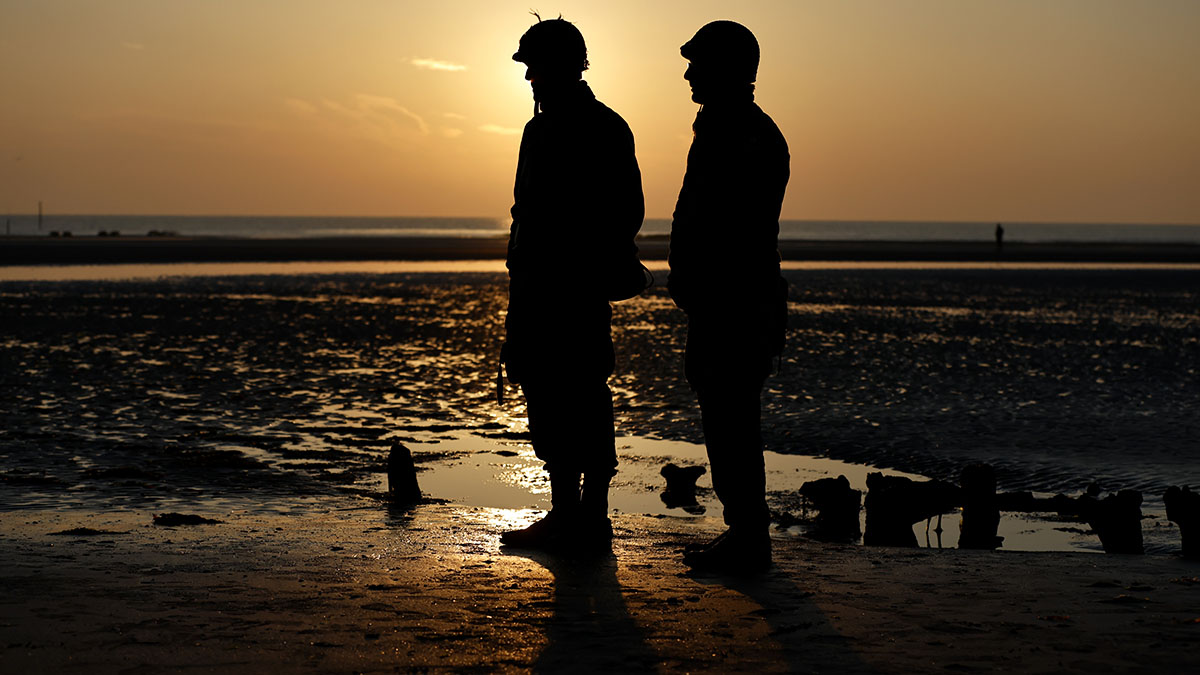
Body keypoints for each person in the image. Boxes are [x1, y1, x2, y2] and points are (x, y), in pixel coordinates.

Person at [499, 16, 645, 553]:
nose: (530, 75)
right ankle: (568, 516)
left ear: (566, 66)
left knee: (581, 392)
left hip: (575, 291)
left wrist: (574, 261)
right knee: (545, 391)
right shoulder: (541, 130)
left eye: (536, 66)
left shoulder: (603, 127)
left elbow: (626, 212)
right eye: (529, 66)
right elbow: (525, 212)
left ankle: (592, 517)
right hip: (537, 287)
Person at [668, 20, 789, 574]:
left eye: (699, 63)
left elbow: (731, 228)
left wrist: (698, 280)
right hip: (726, 302)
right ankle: (744, 533)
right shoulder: (728, 128)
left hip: (735, 305)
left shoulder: (743, 134)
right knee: (726, 416)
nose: (689, 73)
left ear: (727, 69)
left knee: (732, 418)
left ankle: (748, 537)